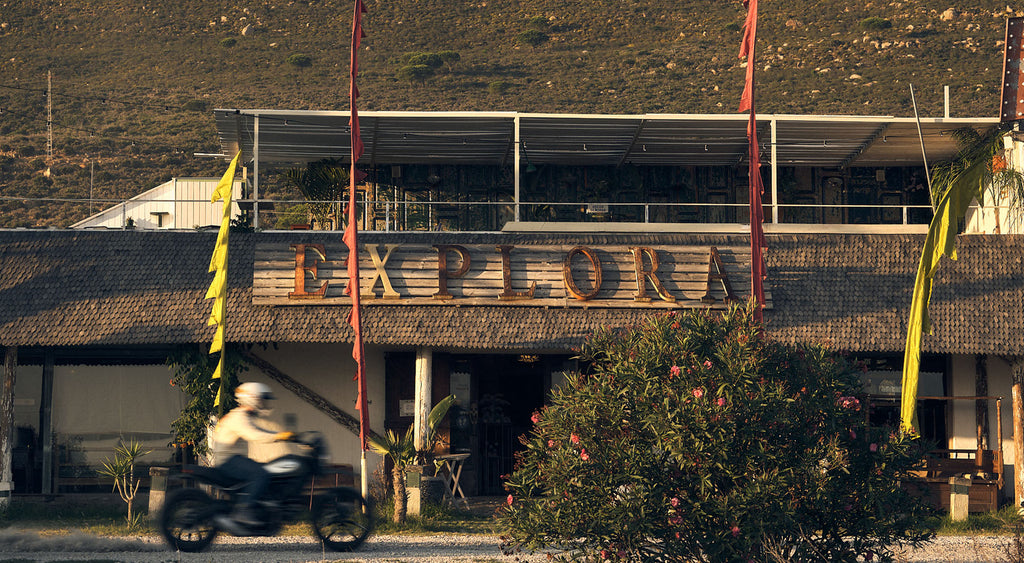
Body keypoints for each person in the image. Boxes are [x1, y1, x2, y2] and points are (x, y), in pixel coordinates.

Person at [211, 382, 293, 527]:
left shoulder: (243, 416)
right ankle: (243, 510)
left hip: (233, 459)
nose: (263, 404)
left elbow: (260, 431)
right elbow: (254, 434)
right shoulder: (239, 417)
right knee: (261, 474)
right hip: (228, 461)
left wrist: (282, 435)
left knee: (266, 469)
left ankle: (260, 509)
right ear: (252, 399)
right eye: (261, 400)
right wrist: (279, 436)